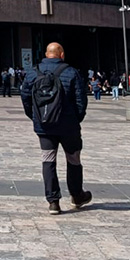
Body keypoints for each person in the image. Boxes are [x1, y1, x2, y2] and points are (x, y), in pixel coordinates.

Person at [20, 42, 92, 215]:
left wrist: (37, 117)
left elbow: (25, 98)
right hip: (68, 126)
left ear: (46, 54)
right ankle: (76, 195)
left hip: (44, 126)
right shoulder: (71, 72)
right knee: (73, 159)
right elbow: (81, 100)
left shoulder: (33, 73)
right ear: (62, 55)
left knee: (48, 159)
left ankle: (53, 201)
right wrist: (76, 119)